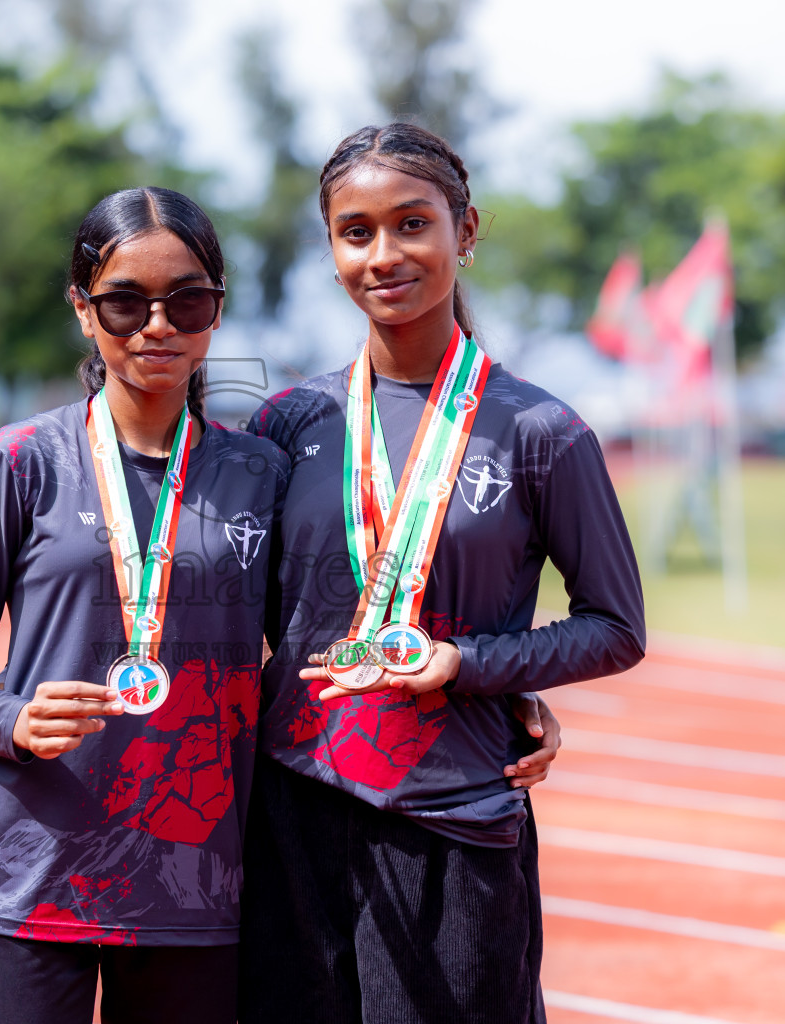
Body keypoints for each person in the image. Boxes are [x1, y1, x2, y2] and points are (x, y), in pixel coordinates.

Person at [237, 123, 646, 1024]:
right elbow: (219, 613)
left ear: (465, 232)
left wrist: (476, 668)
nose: (384, 254)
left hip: (456, 814)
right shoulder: (286, 423)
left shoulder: (542, 432)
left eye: (411, 224)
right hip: (292, 807)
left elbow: (616, 628)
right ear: (333, 250)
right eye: (356, 231)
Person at [0, 187, 290, 1024]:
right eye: (124, 302)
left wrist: (493, 700)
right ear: (84, 311)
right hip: (33, 870)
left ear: (216, 313)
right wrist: (5, 722)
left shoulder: (261, 474)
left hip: (196, 878)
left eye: (186, 300)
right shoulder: (19, 461)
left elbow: (314, 654)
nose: (156, 326)